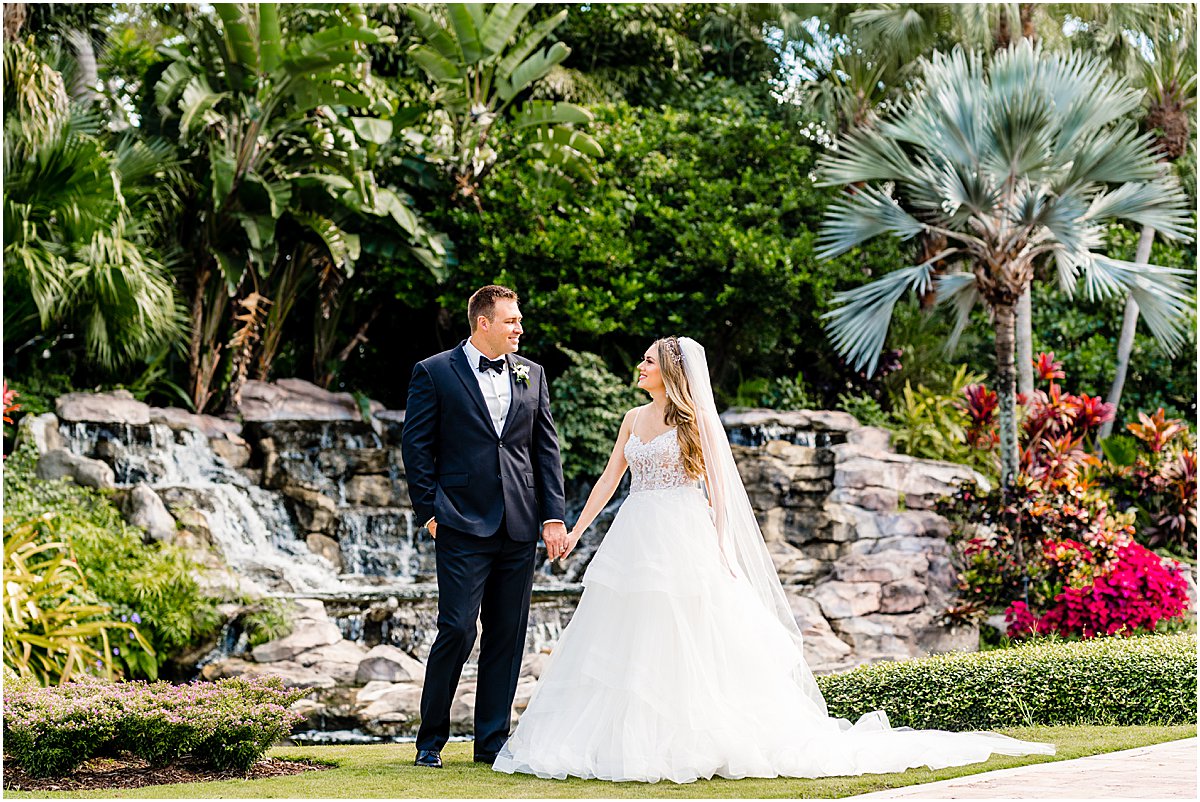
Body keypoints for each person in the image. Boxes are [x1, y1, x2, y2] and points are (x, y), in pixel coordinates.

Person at [492, 335, 1055, 783]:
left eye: (647, 362)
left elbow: (719, 496)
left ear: (671, 371)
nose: (639, 369)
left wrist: (721, 549)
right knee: (628, 634)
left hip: (682, 535)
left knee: (688, 635)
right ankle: (623, 738)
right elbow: (610, 480)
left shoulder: (696, 424)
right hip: (637, 532)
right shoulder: (633, 419)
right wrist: (572, 530)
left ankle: (693, 738)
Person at [401, 285, 568, 769]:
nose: (520, 328)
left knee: (507, 634)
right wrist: (429, 511)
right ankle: (429, 740)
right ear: (483, 323)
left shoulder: (531, 373)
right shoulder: (434, 372)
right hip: (459, 521)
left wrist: (552, 515)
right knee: (456, 628)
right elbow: (416, 447)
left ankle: (490, 743)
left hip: (519, 523)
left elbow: (545, 449)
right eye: (512, 320)